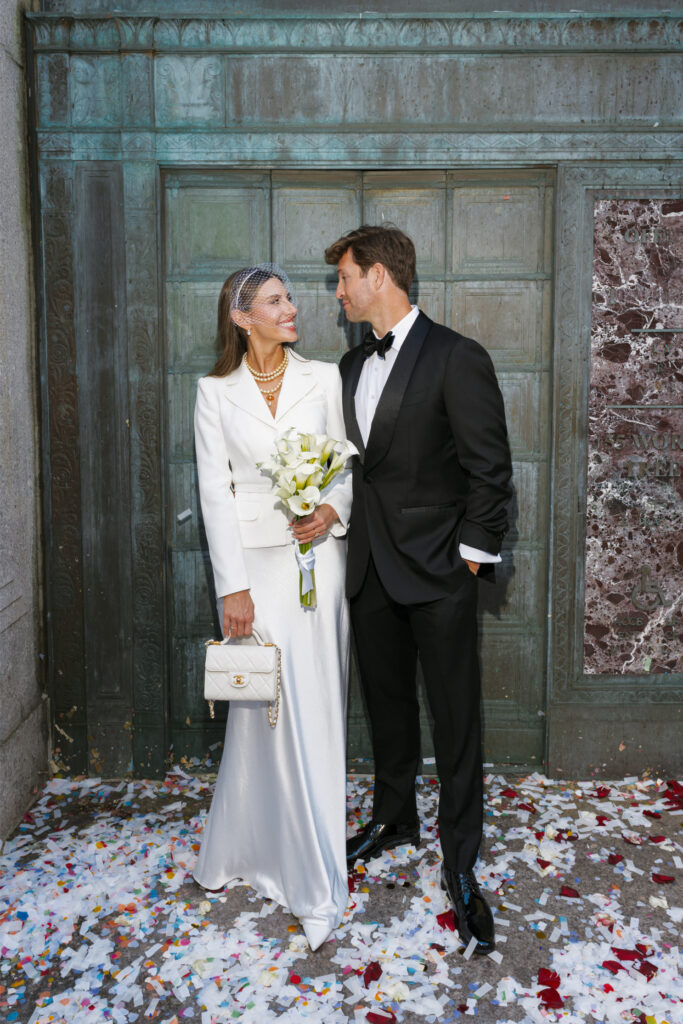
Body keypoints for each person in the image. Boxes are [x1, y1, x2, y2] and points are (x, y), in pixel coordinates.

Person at [324, 226, 512, 954]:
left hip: (438, 575)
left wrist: (465, 562)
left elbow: (489, 473)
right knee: (389, 708)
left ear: (377, 275)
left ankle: (461, 859)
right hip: (368, 571)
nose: (337, 293)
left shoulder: (457, 357)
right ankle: (392, 815)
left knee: (455, 719)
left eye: (343, 278)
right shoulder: (346, 365)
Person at [192, 263, 352, 951]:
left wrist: (328, 510)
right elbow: (214, 491)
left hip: (316, 560)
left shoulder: (324, 377)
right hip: (255, 569)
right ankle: (247, 848)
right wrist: (231, 587)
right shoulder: (213, 393)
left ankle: (315, 877)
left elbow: (344, 465)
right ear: (241, 316)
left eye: (289, 299)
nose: (291, 309)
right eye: (275, 301)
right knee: (263, 712)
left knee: (312, 705)